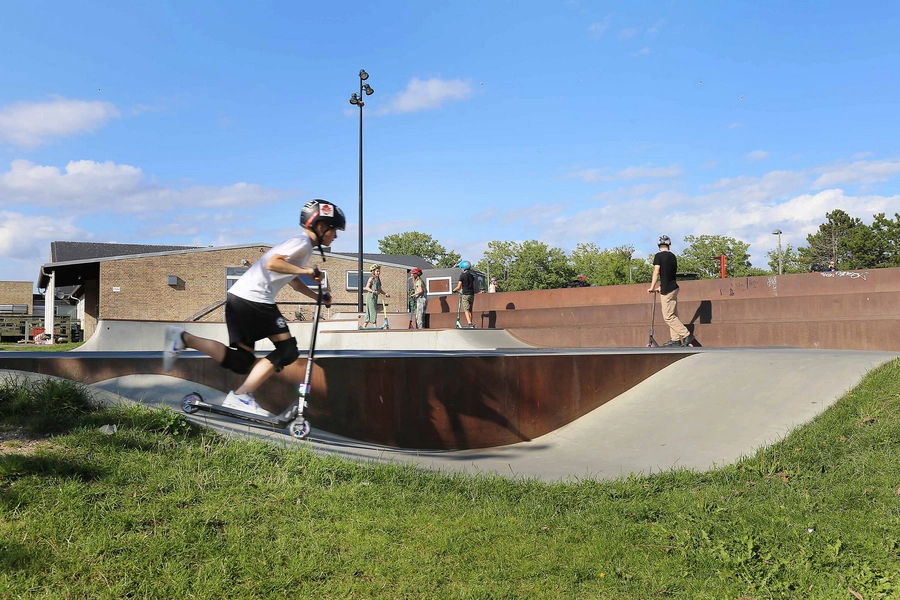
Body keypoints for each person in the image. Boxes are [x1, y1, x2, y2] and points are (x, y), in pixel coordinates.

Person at [162, 199, 345, 416]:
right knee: (287, 351)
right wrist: (307, 272)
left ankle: (183, 339)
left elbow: (292, 280)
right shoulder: (302, 243)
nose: (335, 236)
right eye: (334, 230)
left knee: (242, 361)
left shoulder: (301, 247)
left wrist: (316, 296)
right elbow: (272, 263)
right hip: (256, 300)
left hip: (238, 298)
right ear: (321, 226)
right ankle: (241, 396)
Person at [648, 235, 694, 347]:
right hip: (673, 288)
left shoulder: (658, 256)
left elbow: (657, 272)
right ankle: (675, 339)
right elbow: (668, 274)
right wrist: (661, 286)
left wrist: (652, 287)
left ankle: (686, 334)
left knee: (668, 316)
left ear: (659, 244)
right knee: (673, 314)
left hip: (667, 291)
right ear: (669, 244)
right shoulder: (673, 256)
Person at [362, 264, 389, 329]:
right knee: (373, 310)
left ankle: (364, 326)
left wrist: (385, 294)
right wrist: (373, 291)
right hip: (370, 297)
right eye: (377, 271)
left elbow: (379, 289)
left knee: (369, 311)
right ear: (373, 271)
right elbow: (367, 287)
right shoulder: (371, 279)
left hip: (375, 297)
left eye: (379, 271)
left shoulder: (378, 280)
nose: (378, 273)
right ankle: (375, 326)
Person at [452, 260, 476, 328]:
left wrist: (454, 290)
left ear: (463, 268)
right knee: (470, 310)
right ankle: (471, 323)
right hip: (471, 294)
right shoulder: (472, 276)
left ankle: (469, 323)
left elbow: (459, 287)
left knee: (466, 310)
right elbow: (474, 286)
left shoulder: (462, 276)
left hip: (465, 294)